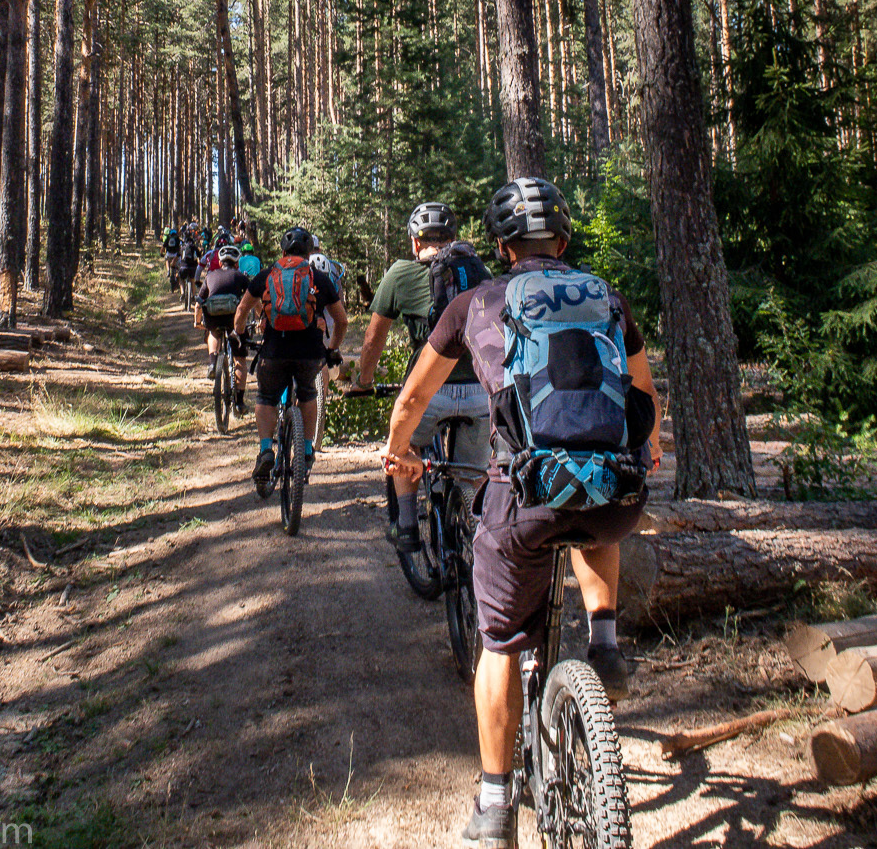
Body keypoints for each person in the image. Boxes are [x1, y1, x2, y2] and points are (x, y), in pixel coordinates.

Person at [382, 178, 661, 848]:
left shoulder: (476, 302)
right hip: (615, 501)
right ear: (563, 241)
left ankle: (495, 804)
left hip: (523, 501)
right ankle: (604, 643)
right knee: (594, 497)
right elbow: (646, 398)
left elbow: (412, 401)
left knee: (501, 645)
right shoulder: (607, 296)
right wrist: (647, 452)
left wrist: (399, 453)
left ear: (502, 247)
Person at [349, 202, 490, 557]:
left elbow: (373, 338)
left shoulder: (400, 273)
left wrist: (364, 381)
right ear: (454, 239)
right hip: (480, 393)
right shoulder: (479, 272)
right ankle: (471, 541)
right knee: (471, 474)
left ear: (415, 242)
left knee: (403, 449)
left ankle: (408, 526)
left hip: (429, 392)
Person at [234, 225, 348, 495]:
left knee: (266, 397)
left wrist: (239, 335)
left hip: (274, 351)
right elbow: (342, 320)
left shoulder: (266, 275)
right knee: (308, 393)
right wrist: (332, 348)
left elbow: (242, 310)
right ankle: (306, 450)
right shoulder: (319, 278)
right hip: (310, 353)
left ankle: (266, 450)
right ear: (309, 253)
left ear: (283, 251)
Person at [194, 245, 250, 380]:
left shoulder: (210, 276)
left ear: (220, 263)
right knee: (240, 359)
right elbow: (253, 298)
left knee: (213, 333)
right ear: (237, 264)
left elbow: (199, 303)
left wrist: (197, 321)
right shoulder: (240, 276)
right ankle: (240, 393)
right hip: (234, 319)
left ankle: (213, 363)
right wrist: (262, 318)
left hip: (213, 318)